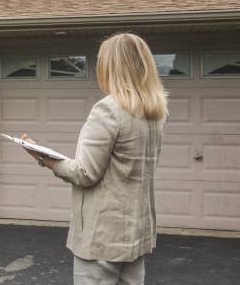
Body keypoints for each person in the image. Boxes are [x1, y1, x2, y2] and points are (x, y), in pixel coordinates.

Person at [22, 33, 168, 285]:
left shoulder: (108, 109)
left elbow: (84, 174)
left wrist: (42, 157)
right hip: (136, 231)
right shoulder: (156, 110)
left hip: (103, 236)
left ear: (110, 66)